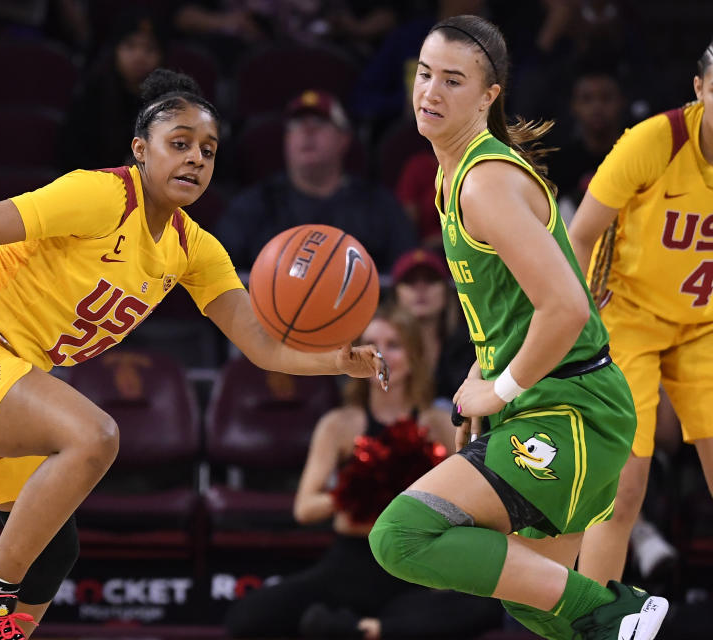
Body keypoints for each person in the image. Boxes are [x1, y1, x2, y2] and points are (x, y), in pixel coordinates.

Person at [0, 69, 389, 640]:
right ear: (140, 150)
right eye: (180, 143)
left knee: (53, 552)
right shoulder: (99, 196)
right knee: (95, 435)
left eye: (208, 150)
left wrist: (337, 361)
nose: (196, 159)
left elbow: (260, 344)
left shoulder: (193, 249)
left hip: (7, 376)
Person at [366, 15, 669, 640]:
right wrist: (482, 384)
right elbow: (514, 307)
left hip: (573, 410)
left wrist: (499, 389)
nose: (430, 92)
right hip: (548, 404)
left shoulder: (484, 182)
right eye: (425, 74)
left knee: (401, 535)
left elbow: (568, 307)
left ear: (488, 95)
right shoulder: (455, 174)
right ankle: (613, 621)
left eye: (453, 80)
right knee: (534, 604)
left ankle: (625, 611)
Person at [224, 304, 500, 639]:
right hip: (349, 562)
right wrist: (357, 490)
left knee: (484, 608)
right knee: (246, 617)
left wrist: (412, 493)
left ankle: (370, 629)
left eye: (394, 345)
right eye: (371, 344)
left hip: (413, 563)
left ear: (414, 354)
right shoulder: (339, 424)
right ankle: (367, 628)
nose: (380, 355)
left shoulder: (440, 422)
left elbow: (475, 501)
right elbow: (305, 507)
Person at [568, 38, 713, 587]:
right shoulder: (656, 139)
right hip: (627, 318)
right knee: (622, 492)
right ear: (699, 90)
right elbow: (581, 236)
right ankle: (596, 617)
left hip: (704, 325)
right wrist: (579, 334)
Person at [216, 89, 417, 272]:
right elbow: (218, 277)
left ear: (344, 139)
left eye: (320, 123)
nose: (307, 131)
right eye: (297, 124)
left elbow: (410, 271)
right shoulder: (256, 204)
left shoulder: (378, 205)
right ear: (286, 140)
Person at [59, 9, 166, 172]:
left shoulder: (169, 101)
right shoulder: (92, 97)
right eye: (130, 46)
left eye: (149, 49)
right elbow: (72, 157)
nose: (139, 56)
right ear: (115, 50)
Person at [545, 66, 626, 224]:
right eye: (587, 99)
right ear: (574, 106)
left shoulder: (635, 158)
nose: (597, 107)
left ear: (622, 102)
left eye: (606, 98)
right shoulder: (559, 164)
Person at [390, 247, 472, 403]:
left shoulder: (469, 345)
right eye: (410, 281)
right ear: (395, 294)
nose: (421, 288)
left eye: (431, 279)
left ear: (447, 292)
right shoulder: (378, 343)